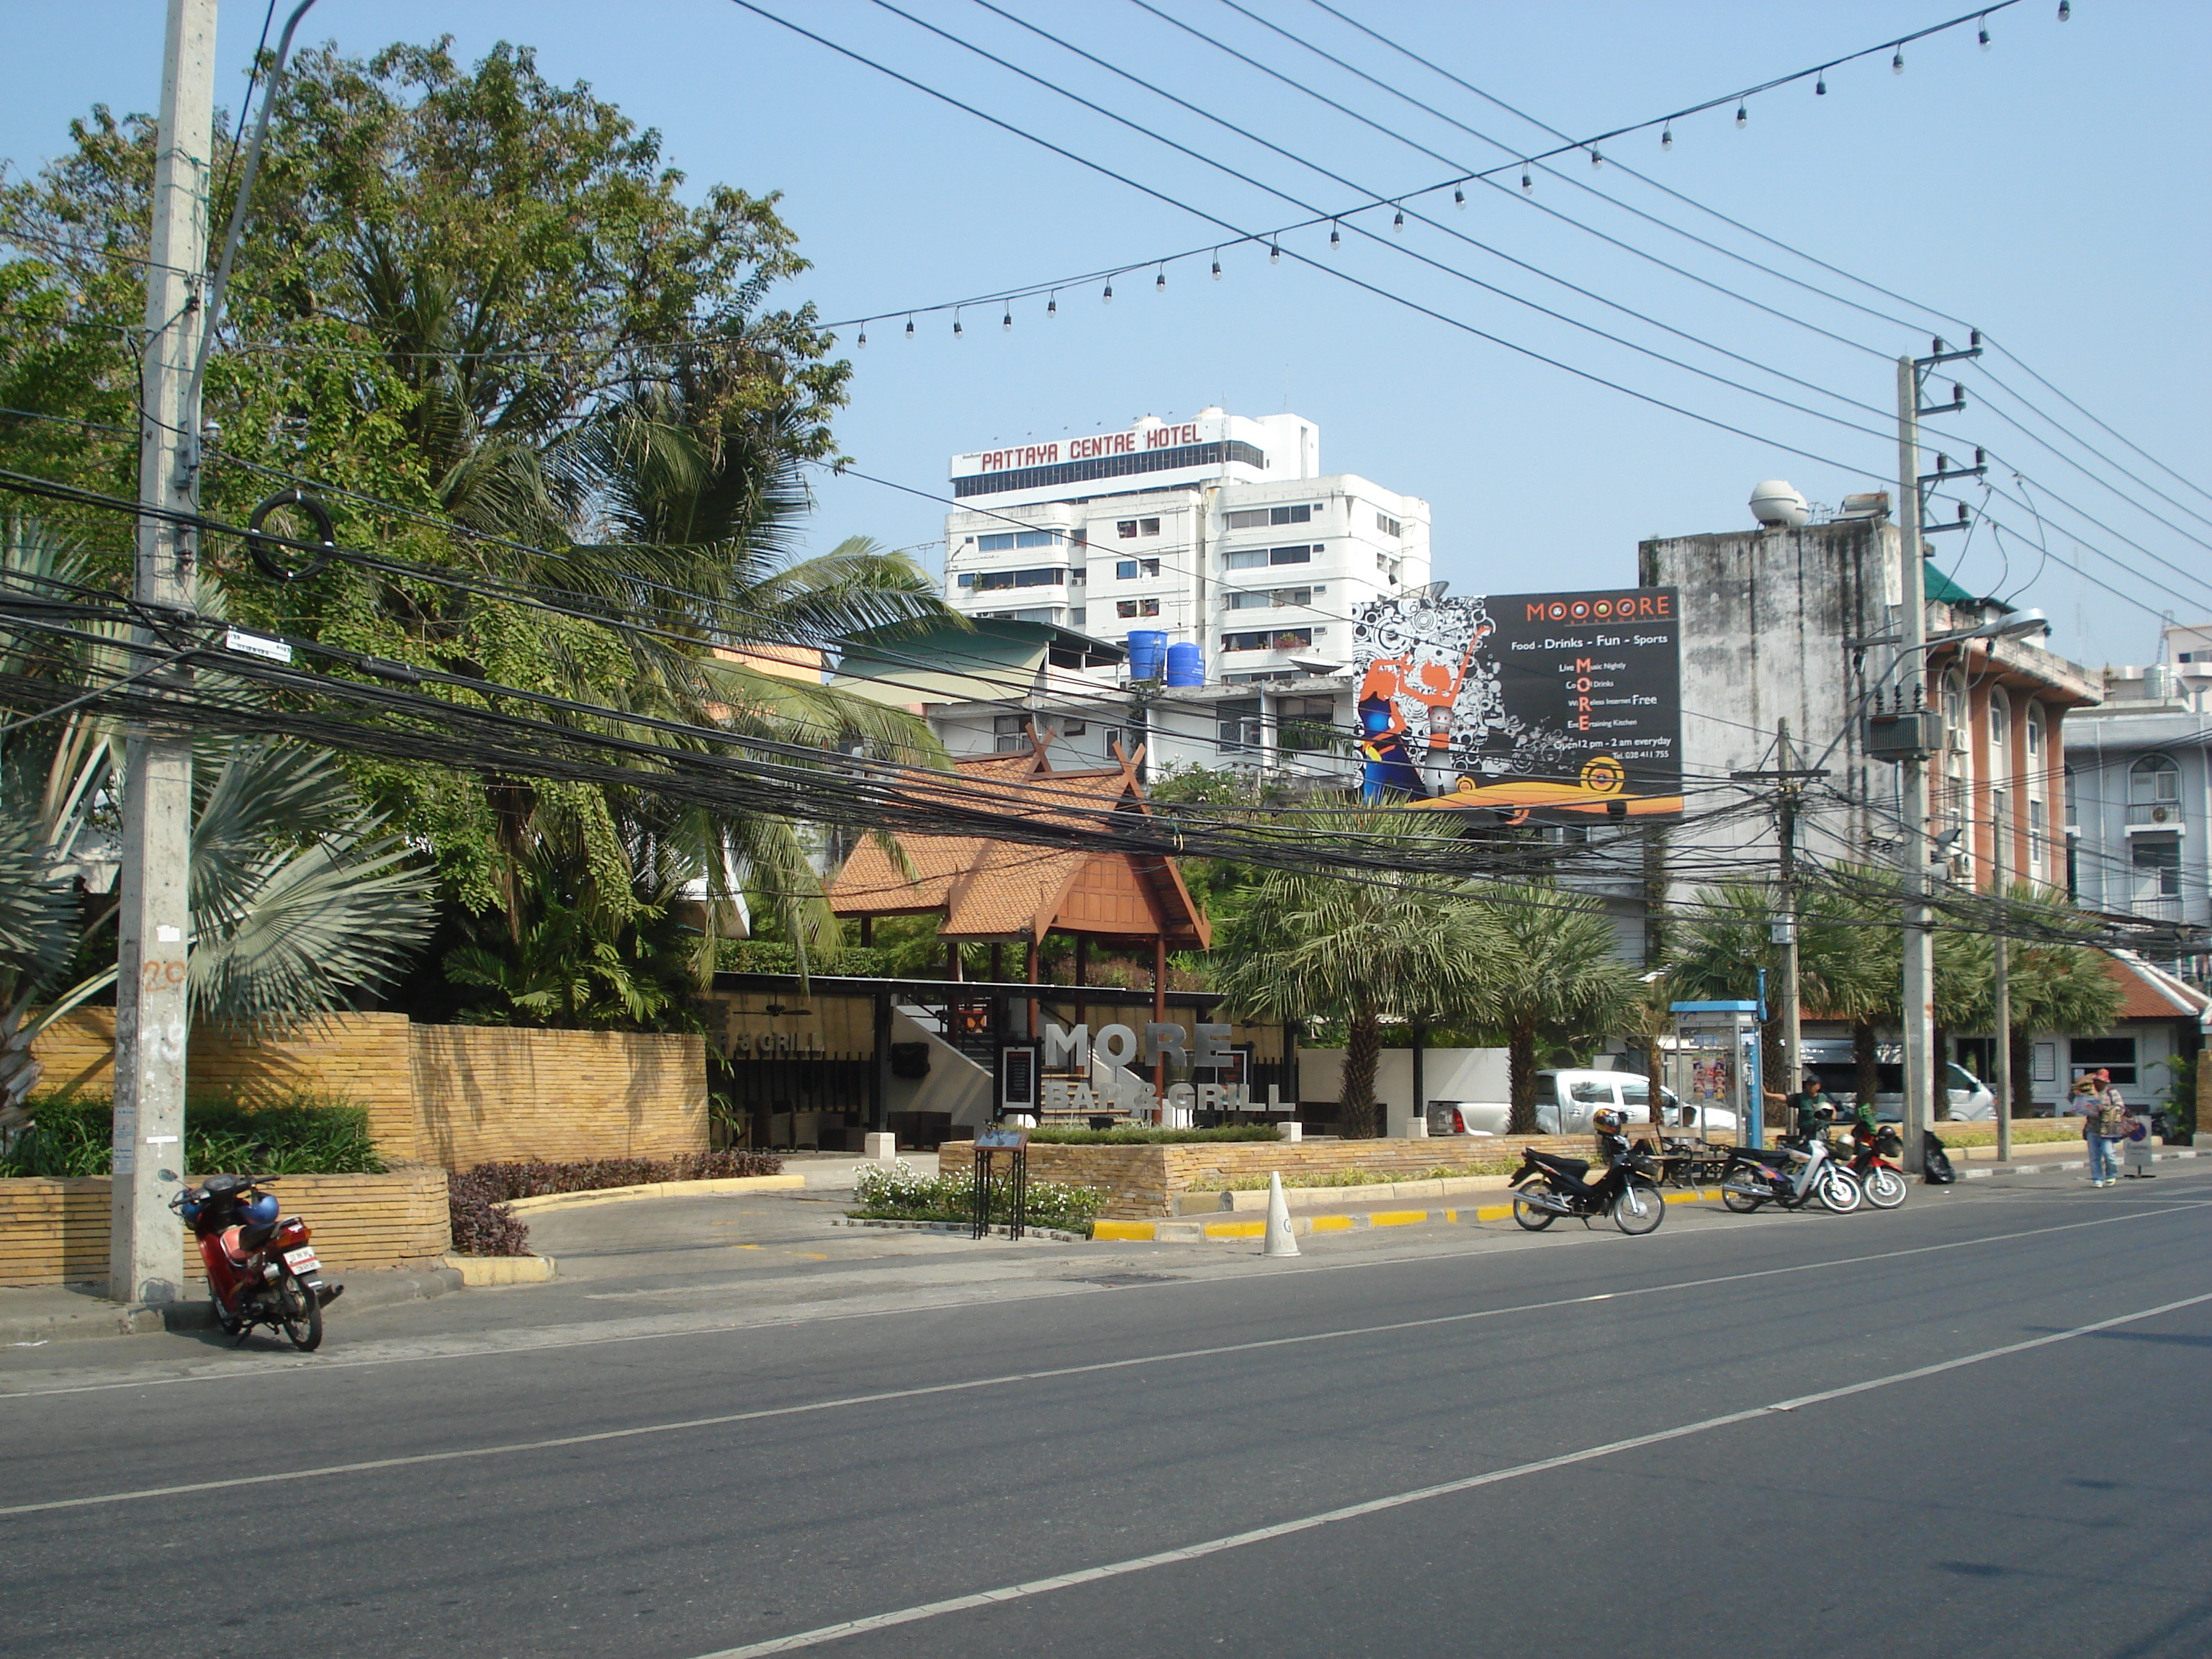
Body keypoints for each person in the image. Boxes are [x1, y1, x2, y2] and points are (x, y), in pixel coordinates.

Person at [2073, 1071, 2129, 1187]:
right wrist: (2077, 1090)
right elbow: (2074, 1101)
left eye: (2101, 1081)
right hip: (2092, 1127)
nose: (2098, 1083)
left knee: (2109, 1154)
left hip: (2107, 1128)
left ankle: (2111, 1174)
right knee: (2094, 1156)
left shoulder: (2111, 1092)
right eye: (2096, 1081)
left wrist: (2104, 1108)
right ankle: (2097, 1179)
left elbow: (2120, 1108)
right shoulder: (2089, 1092)